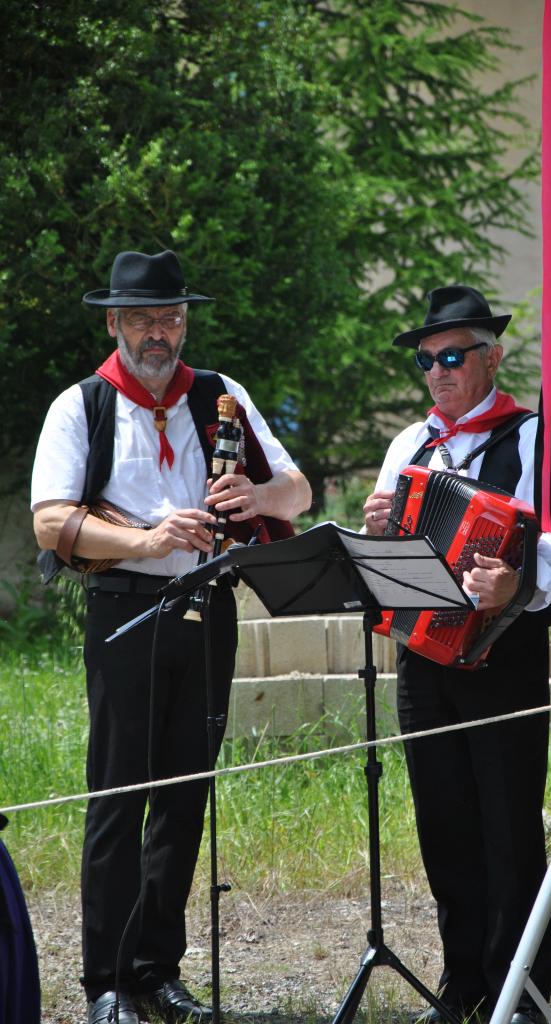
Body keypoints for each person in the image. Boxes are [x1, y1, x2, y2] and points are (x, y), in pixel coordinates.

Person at [31, 250, 312, 1024]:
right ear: (116, 323)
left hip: (208, 607)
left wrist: (254, 492)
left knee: (185, 795)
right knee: (119, 798)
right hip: (124, 608)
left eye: (172, 318)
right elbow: (50, 521)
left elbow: (299, 488)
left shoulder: (220, 395)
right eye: (146, 320)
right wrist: (149, 540)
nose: (161, 334)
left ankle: (158, 970)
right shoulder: (80, 404)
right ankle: (107, 984)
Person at [363, 285, 551, 1024]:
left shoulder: (537, 438)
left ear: (492, 356)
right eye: (427, 359)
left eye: (453, 356)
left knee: (507, 824)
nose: (439, 371)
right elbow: (387, 556)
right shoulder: (409, 445)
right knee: (442, 820)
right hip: (422, 654)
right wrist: (378, 528)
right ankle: (462, 987)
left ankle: (521, 993)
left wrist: (516, 583)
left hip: (504, 651)